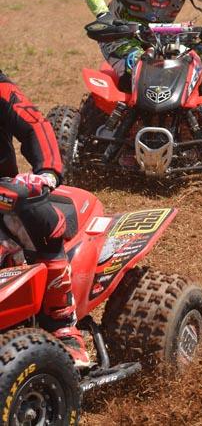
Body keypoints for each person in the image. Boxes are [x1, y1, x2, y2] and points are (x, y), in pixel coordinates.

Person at [0, 71, 90, 367]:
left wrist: (47, 172)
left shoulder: (1, 88)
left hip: (5, 191)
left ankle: (63, 326)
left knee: (34, 214)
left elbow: (34, 125)